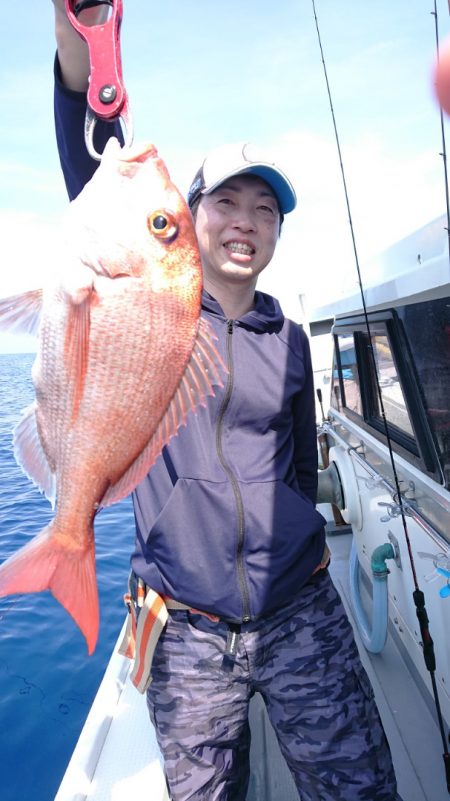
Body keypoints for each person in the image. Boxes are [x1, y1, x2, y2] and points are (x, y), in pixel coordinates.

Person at [51, 3, 403, 799]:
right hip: (186, 629)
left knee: (360, 786)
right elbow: (91, 157)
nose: (247, 223)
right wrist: (80, 38)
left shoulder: (292, 340)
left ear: (277, 230)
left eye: (266, 210)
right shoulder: (148, 301)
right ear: (189, 216)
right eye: (228, 203)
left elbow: (301, 463)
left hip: (299, 607)